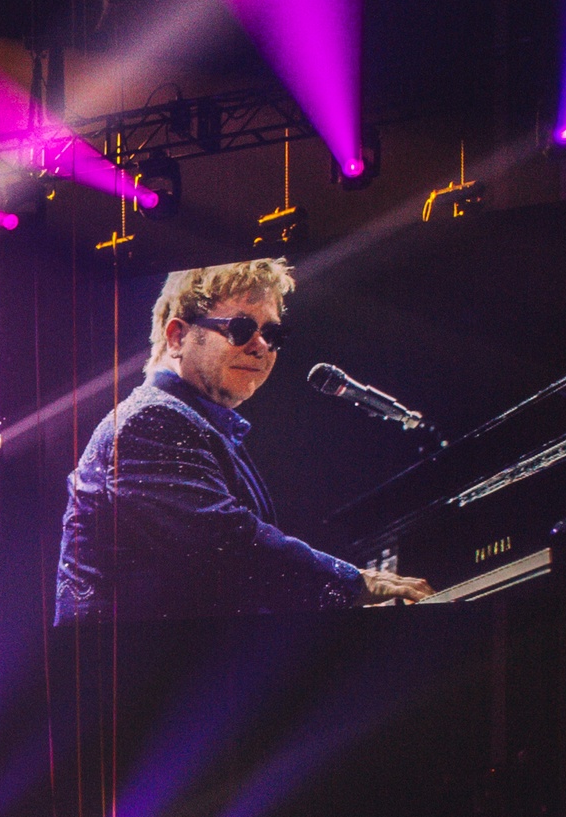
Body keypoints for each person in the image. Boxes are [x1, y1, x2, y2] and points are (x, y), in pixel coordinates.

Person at [54, 259, 432, 624]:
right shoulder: (150, 422)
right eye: (240, 328)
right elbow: (227, 547)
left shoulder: (199, 425)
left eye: (273, 334)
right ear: (177, 336)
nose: (261, 346)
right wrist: (354, 583)